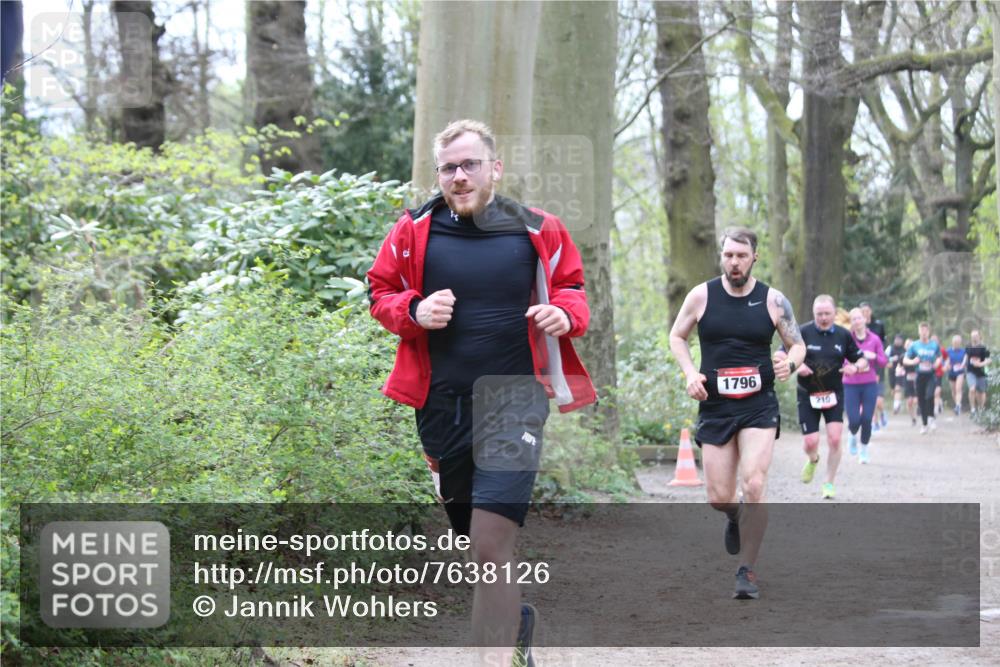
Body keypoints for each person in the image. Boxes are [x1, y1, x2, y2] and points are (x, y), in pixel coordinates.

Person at [367, 119, 595, 666]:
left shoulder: (537, 229)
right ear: (438, 175)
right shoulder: (414, 229)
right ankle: (515, 623)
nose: (459, 176)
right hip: (441, 406)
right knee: (475, 545)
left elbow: (572, 288)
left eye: (470, 165)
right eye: (449, 168)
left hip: (513, 400)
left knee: (492, 546)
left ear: (495, 169)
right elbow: (381, 292)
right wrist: (414, 311)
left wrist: (563, 314)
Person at [669, 227, 805, 600]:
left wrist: (787, 365)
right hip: (715, 405)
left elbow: (797, 345)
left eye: (741, 256)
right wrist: (690, 372)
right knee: (718, 496)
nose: (734, 262)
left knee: (755, 483)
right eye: (728, 255)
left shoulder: (774, 300)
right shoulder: (701, 295)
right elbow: (676, 336)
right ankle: (734, 515)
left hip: (759, 405)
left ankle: (747, 569)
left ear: (754, 258)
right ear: (722, 256)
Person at [791, 296, 867, 499]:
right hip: (807, 394)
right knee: (810, 442)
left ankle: (829, 483)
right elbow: (782, 354)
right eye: (819, 314)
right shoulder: (802, 332)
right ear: (813, 313)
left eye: (827, 314)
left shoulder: (843, 335)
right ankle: (813, 459)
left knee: (834, 439)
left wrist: (855, 367)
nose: (823, 318)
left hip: (833, 393)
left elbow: (862, 359)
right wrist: (798, 365)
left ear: (835, 314)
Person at [844, 308, 887, 464]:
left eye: (859, 318)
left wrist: (873, 356)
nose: (857, 321)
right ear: (851, 322)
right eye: (853, 319)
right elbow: (841, 358)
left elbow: (884, 361)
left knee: (867, 419)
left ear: (865, 319)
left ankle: (864, 451)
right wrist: (849, 364)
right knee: (854, 420)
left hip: (869, 384)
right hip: (851, 384)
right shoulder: (847, 339)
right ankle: (852, 435)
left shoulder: (875, 339)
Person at [903, 323, 942, 434]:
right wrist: (912, 361)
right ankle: (924, 424)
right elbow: (905, 360)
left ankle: (931, 417)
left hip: (931, 374)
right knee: (921, 399)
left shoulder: (934, 345)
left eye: (926, 330)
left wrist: (937, 363)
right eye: (922, 330)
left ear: (929, 332)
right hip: (919, 376)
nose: (924, 332)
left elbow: (939, 357)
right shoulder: (914, 345)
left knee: (929, 395)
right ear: (919, 332)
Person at [860, 302, 889, 430]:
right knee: (869, 396)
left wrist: (882, 357)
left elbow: (884, 343)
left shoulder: (878, 325)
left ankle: (882, 413)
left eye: (867, 311)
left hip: (876, 364)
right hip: (862, 364)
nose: (865, 313)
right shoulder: (856, 327)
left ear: (870, 312)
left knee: (878, 400)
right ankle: (874, 422)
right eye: (862, 311)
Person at [966, 330, 992, 416]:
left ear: (979, 336)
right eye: (972, 336)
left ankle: (981, 408)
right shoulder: (968, 346)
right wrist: (963, 365)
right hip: (970, 372)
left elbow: (989, 360)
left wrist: (980, 364)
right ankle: (973, 409)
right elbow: (966, 357)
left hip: (981, 372)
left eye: (976, 336)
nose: (974, 337)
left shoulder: (984, 347)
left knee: (981, 392)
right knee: (972, 389)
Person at [886, 333, 907, 414]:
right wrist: (891, 359)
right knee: (893, 390)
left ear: (902, 341)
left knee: (898, 388)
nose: (898, 341)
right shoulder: (890, 348)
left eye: (899, 339)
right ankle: (898, 403)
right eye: (896, 339)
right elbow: (884, 358)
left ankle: (896, 407)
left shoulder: (904, 350)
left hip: (900, 372)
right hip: (891, 371)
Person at [946, 335, 967, 416]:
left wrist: (963, 365)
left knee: (958, 389)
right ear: (952, 342)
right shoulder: (948, 351)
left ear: (960, 343)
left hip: (960, 372)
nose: (956, 344)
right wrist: (947, 365)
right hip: (951, 373)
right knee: (954, 390)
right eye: (955, 342)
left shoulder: (963, 351)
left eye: (958, 342)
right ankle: (957, 405)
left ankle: (958, 405)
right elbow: (944, 361)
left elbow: (965, 361)